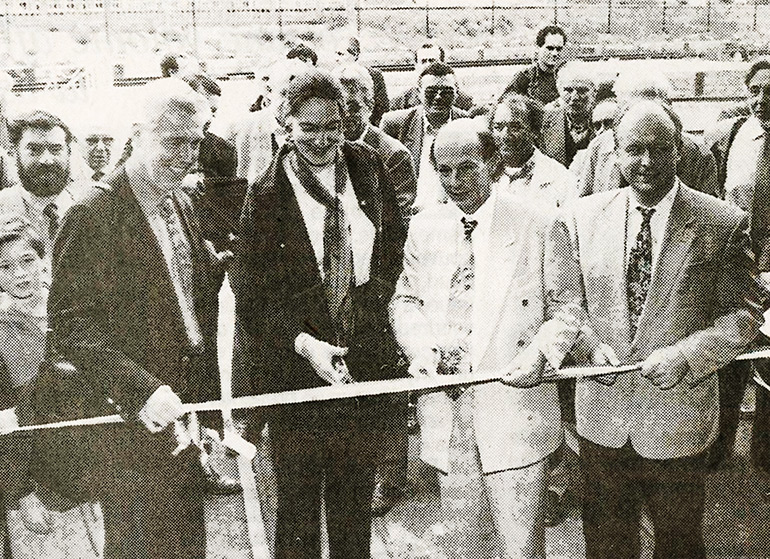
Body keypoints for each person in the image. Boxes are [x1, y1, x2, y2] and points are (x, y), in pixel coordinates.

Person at [562, 100, 764, 559]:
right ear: (614, 153)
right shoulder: (581, 217)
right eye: (634, 149)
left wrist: (688, 356)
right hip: (600, 422)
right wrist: (588, 346)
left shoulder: (722, 221)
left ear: (680, 151)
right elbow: (567, 305)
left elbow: (745, 313)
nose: (647, 162)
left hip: (679, 422)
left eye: (660, 149)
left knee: (678, 543)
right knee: (606, 546)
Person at [42, 78, 222, 559]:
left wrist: (207, 407)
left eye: (195, 141)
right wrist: (143, 389)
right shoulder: (93, 216)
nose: (186, 154)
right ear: (138, 134)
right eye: (173, 141)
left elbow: (193, 314)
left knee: (187, 545)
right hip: (129, 427)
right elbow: (70, 326)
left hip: (184, 416)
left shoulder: (180, 201)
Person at [231, 69, 406, 559]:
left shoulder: (367, 166)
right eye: (307, 127)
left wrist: (372, 303)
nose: (321, 138)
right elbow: (252, 295)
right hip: (298, 376)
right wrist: (305, 344)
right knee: (299, 513)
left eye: (331, 124)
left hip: (362, 363)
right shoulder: (265, 194)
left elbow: (392, 240)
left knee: (353, 506)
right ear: (285, 125)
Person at [390, 118, 582, 559]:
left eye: (467, 169)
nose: (455, 182)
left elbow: (568, 309)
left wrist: (541, 355)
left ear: (494, 163)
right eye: (444, 171)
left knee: (520, 546)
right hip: (447, 414)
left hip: (515, 415)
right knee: (463, 545)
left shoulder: (539, 223)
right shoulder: (425, 227)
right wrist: (421, 350)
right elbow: (406, 300)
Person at [0, 215, 101, 559]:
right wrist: (21, 494)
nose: (19, 274)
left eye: (27, 260)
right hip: (47, 486)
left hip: (104, 464)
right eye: (5, 267)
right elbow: (5, 422)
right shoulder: (2, 331)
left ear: (43, 258)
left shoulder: (76, 308)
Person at [706, 58, 770, 470]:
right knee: (727, 354)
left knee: (766, 363)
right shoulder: (733, 135)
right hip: (734, 265)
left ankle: (764, 454)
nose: (762, 101)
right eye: (756, 91)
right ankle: (718, 443)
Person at [573, 71, 718, 198]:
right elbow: (585, 206)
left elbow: (708, 213)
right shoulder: (600, 146)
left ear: (668, 106)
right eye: (636, 105)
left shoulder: (698, 153)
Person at [333, 63, 416, 224]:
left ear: (369, 106)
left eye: (353, 107)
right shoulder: (324, 148)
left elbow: (398, 224)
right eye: (339, 108)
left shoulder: (394, 156)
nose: (346, 115)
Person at [381, 62, 469, 213]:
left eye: (446, 92)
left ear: (456, 94)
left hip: (453, 217)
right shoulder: (395, 124)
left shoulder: (467, 124)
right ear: (418, 93)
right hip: (408, 217)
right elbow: (382, 181)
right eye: (431, 91)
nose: (438, 97)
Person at [0, 112, 89, 257]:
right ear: (14, 153)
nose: (47, 160)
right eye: (34, 150)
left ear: (69, 152)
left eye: (55, 149)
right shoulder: (2, 208)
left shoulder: (89, 207)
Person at [490, 92, 577, 209]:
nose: (505, 135)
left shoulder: (560, 178)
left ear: (534, 131)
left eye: (515, 127)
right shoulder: (483, 175)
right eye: (498, 127)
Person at [541, 61, 597, 167]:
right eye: (568, 90)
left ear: (594, 92)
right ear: (559, 91)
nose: (575, 97)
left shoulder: (605, 122)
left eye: (582, 90)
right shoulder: (545, 122)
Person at [389, 42, 474, 111]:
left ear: (443, 63)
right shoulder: (401, 102)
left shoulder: (463, 101)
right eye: (423, 61)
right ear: (416, 66)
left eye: (432, 61)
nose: (428, 65)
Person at [501, 25, 566, 106]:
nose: (555, 53)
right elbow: (503, 105)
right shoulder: (525, 76)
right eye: (550, 48)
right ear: (538, 48)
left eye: (559, 49)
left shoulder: (568, 77)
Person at [334, 37, 390, 126]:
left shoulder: (374, 75)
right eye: (336, 54)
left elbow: (382, 111)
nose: (336, 59)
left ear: (355, 55)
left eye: (341, 54)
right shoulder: (332, 77)